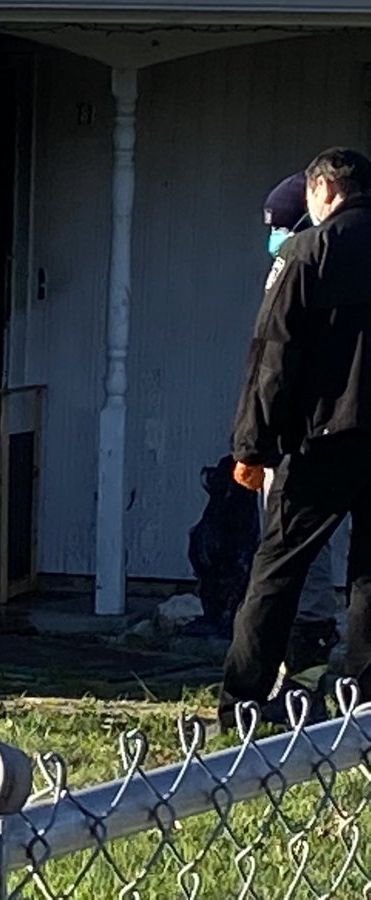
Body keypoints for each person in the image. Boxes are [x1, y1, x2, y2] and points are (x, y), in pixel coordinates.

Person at [220, 147, 371, 729]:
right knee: (370, 574)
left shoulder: (307, 252)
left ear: (324, 192)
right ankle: (360, 697)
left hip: (323, 438)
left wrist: (250, 447)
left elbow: (272, 359)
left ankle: (245, 701)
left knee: (277, 570)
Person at [257, 172, 342, 697]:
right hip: (294, 431)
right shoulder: (293, 263)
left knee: (298, 558)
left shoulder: (316, 263)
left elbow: (277, 359)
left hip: (310, 436)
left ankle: (305, 675)